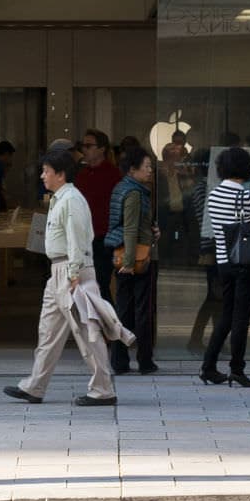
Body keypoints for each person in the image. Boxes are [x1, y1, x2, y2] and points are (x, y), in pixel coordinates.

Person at [6, 142, 115, 407]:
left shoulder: (72, 200)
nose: (42, 176)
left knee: (86, 332)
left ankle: (103, 389)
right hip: (59, 271)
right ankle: (35, 386)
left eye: (46, 171)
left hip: (71, 271)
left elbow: (77, 240)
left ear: (61, 174)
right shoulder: (61, 199)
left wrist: (74, 274)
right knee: (49, 331)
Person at [199, 144, 250, 390]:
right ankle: (237, 369)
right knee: (242, 319)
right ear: (245, 168)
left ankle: (208, 366)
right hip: (245, 262)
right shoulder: (246, 195)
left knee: (227, 316)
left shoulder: (214, 194)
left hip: (223, 262)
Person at [111, 143, 160, 376]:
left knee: (125, 309)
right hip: (134, 261)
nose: (150, 171)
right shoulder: (134, 193)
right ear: (133, 169)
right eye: (147, 166)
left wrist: (152, 231)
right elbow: (130, 229)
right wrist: (130, 263)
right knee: (140, 310)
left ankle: (121, 360)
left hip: (129, 256)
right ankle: (143, 359)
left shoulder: (125, 188)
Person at [74, 130, 120, 307]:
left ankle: (111, 328)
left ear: (102, 149)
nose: (84, 150)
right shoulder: (82, 175)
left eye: (89, 145)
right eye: (82, 146)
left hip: (103, 238)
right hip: (83, 238)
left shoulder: (113, 175)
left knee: (100, 284)